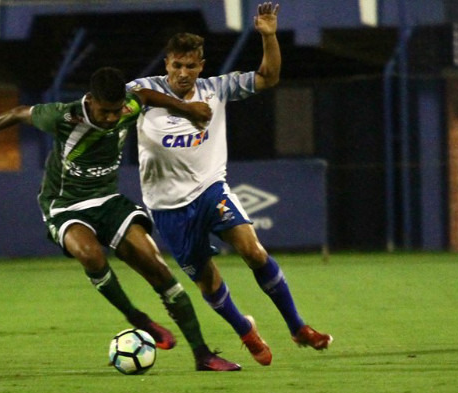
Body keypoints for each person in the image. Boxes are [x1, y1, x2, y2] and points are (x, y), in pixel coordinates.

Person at [0, 67, 241, 371]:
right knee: (90, 255)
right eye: (105, 111)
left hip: (108, 201)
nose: (112, 118)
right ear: (90, 100)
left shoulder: (127, 105)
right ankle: (137, 318)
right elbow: (19, 112)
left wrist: (186, 109)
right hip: (65, 204)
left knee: (156, 265)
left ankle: (202, 355)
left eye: (116, 110)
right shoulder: (64, 116)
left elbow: (145, 95)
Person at [126, 2, 332, 366]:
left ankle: (298, 327)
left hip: (211, 191)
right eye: (177, 65)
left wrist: (268, 36)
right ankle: (245, 331)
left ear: (201, 66)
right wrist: (185, 109)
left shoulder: (216, 89)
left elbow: (268, 77)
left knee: (253, 250)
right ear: (167, 63)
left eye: (191, 66)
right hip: (168, 207)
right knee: (207, 280)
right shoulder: (145, 90)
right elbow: (132, 98)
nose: (184, 73)